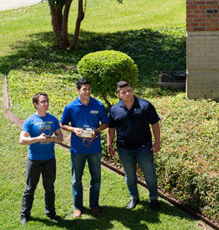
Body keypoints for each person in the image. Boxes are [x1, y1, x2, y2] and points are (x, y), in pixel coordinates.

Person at [107, 81, 161, 211]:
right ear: (119, 95)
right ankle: (134, 198)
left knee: (150, 174)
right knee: (130, 175)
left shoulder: (145, 105)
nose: (127, 94)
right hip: (124, 148)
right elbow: (111, 129)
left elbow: (155, 124)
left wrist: (157, 142)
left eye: (129, 90)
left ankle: (153, 198)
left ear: (132, 90)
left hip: (144, 147)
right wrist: (109, 144)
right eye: (124, 92)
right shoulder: (114, 110)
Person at [61, 78, 109, 218]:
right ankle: (78, 206)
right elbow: (62, 124)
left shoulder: (98, 105)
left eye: (89, 89)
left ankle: (94, 205)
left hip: (94, 149)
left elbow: (105, 123)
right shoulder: (70, 107)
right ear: (78, 90)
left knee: (96, 178)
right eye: (84, 89)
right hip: (77, 149)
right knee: (76, 179)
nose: (87, 91)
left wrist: (97, 130)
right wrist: (74, 129)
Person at [19, 92, 63, 224]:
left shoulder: (53, 119)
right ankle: (25, 214)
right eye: (43, 102)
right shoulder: (30, 121)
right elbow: (22, 140)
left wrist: (54, 138)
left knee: (49, 187)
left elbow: (61, 138)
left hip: (50, 159)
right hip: (34, 160)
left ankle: (51, 213)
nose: (46, 104)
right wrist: (38, 138)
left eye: (47, 101)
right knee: (30, 188)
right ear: (36, 105)